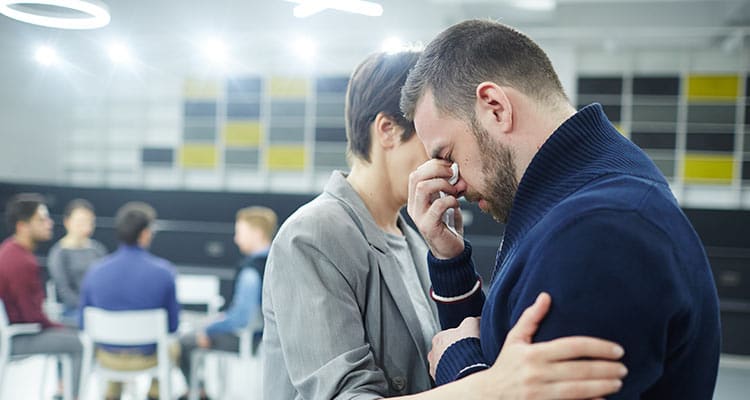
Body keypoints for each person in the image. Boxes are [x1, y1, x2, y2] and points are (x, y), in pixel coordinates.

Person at [262, 50, 626, 400]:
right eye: (438, 149)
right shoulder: (312, 236)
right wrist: (490, 389)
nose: (452, 169)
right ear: (387, 129)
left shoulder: (416, 241)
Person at [401, 19, 721, 399]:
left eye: (448, 155)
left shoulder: (598, 233)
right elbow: (508, 356)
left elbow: (505, 383)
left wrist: (463, 370)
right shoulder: (579, 193)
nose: (453, 184)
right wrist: (449, 259)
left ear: (495, 107)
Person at [79, 201, 179, 400]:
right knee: (174, 347)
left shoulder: (95, 271)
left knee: (114, 341)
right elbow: (172, 327)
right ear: (145, 233)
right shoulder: (164, 272)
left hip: (108, 358)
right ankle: (154, 393)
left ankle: (112, 393)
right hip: (147, 358)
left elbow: (83, 323)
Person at [178, 206, 277, 400]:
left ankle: (197, 393)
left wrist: (209, 329)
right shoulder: (278, 261)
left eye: (239, 232)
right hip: (269, 335)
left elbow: (241, 317)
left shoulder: (250, 271)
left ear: (256, 233)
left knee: (187, 341)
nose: (236, 239)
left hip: (248, 337)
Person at [0, 193, 82, 399]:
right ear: (22, 225)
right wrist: (58, 325)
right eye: (41, 219)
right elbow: (32, 317)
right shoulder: (21, 261)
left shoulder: (9, 251)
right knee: (79, 342)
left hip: (17, 329)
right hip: (18, 336)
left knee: (73, 328)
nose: (49, 223)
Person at [47, 199, 107, 326]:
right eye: (81, 221)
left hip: (99, 307)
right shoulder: (59, 253)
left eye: (90, 221)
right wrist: (87, 306)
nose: (86, 226)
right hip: (73, 309)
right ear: (67, 222)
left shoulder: (98, 249)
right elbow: (64, 290)